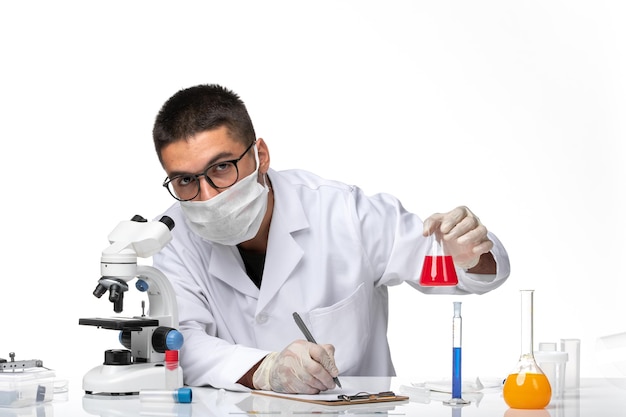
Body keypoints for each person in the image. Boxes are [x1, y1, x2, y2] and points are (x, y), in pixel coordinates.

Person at [151, 84, 510, 394]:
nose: (208, 196)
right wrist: (265, 370)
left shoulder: (344, 214)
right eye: (185, 180)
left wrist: (467, 255)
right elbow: (180, 344)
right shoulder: (172, 237)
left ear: (260, 156)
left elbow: (459, 273)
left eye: (221, 168)